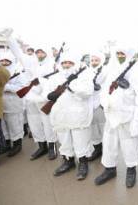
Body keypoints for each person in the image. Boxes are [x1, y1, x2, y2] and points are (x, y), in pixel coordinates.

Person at [95, 48, 138, 188]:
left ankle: (131, 170)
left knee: (129, 145)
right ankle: (109, 169)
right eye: (117, 53)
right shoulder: (111, 68)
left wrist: (137, 121)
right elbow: (104, 90)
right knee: (109, 143)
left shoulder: (137, 70)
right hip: (111, 115)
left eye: (122, 53)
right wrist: (105, 103)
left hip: (128, 116)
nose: (119, 56)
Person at [45, 51, 94, 180]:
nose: (67, 65)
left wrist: (72, 86)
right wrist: (51, 94)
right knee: (64, 140)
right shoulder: (55, 77)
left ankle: (83, 163)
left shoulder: (83, 75)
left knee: (80, 140)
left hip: (78, 114)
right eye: (64, 62)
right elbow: (48, 93)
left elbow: (88, 92)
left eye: (70, 62)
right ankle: (68, 161)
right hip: (61, 114)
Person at [0, 52, 26, 157]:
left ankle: (17, 145)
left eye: (7, 61)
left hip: (13, 104)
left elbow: (22, 88)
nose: (4, 63)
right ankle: (7, 144)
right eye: (2, 61)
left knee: (15, 126)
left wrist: (7, 87)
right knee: (4, 126)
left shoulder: (17, 72)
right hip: (0, 105)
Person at [87, 51, 108, 161]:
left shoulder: (105, 71)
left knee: (104, 128)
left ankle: (107, 151)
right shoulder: (87, 72)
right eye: (92, 60)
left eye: (96, 60)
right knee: (93, 128)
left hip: (101, 103)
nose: (94, 62)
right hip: (89, 104)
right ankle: (97, 149)